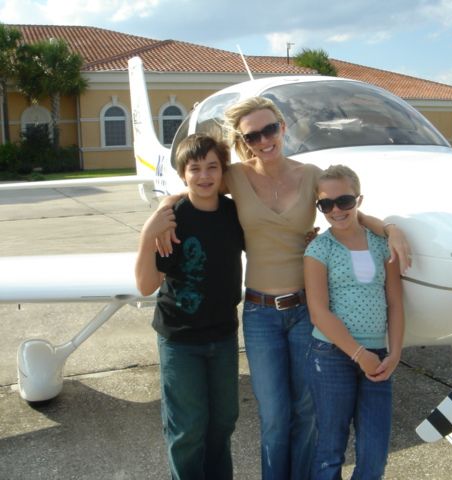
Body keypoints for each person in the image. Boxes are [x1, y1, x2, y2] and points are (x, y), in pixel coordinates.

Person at [157, 96, 411, 480]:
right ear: (244, 141)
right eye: (253, 135)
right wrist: (162, 210)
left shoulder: (310, 175)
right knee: (274, 416)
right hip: (260, 314)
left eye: (269, 129)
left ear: (282, 127)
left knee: (306, 411)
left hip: (306, 310)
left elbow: (347, 208)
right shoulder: (237, 176)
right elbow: (197, 184)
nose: (263, 140)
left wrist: (390, 229)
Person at [135, 133, 244, 480]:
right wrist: (147, 235)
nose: (204, 176)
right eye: (194, 169)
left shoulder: (234, 212)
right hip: (180, 338)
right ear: (183, 174)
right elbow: (146, 285)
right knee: (188, 428)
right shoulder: (173, 218)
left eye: (212, 167)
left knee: (224, 421)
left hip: (223, 334)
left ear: (223, 171)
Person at [303, 164, 405, 480]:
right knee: (330, 450)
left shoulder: (380, 245)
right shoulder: (319, 249)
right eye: (326, 204)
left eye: (344, 201)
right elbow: (319, 312)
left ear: (358, 200)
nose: (336, 210)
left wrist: (395, 353)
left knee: (374, 456)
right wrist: (359, 354)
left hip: (378, 358)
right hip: (333, 355)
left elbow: (395, 302)